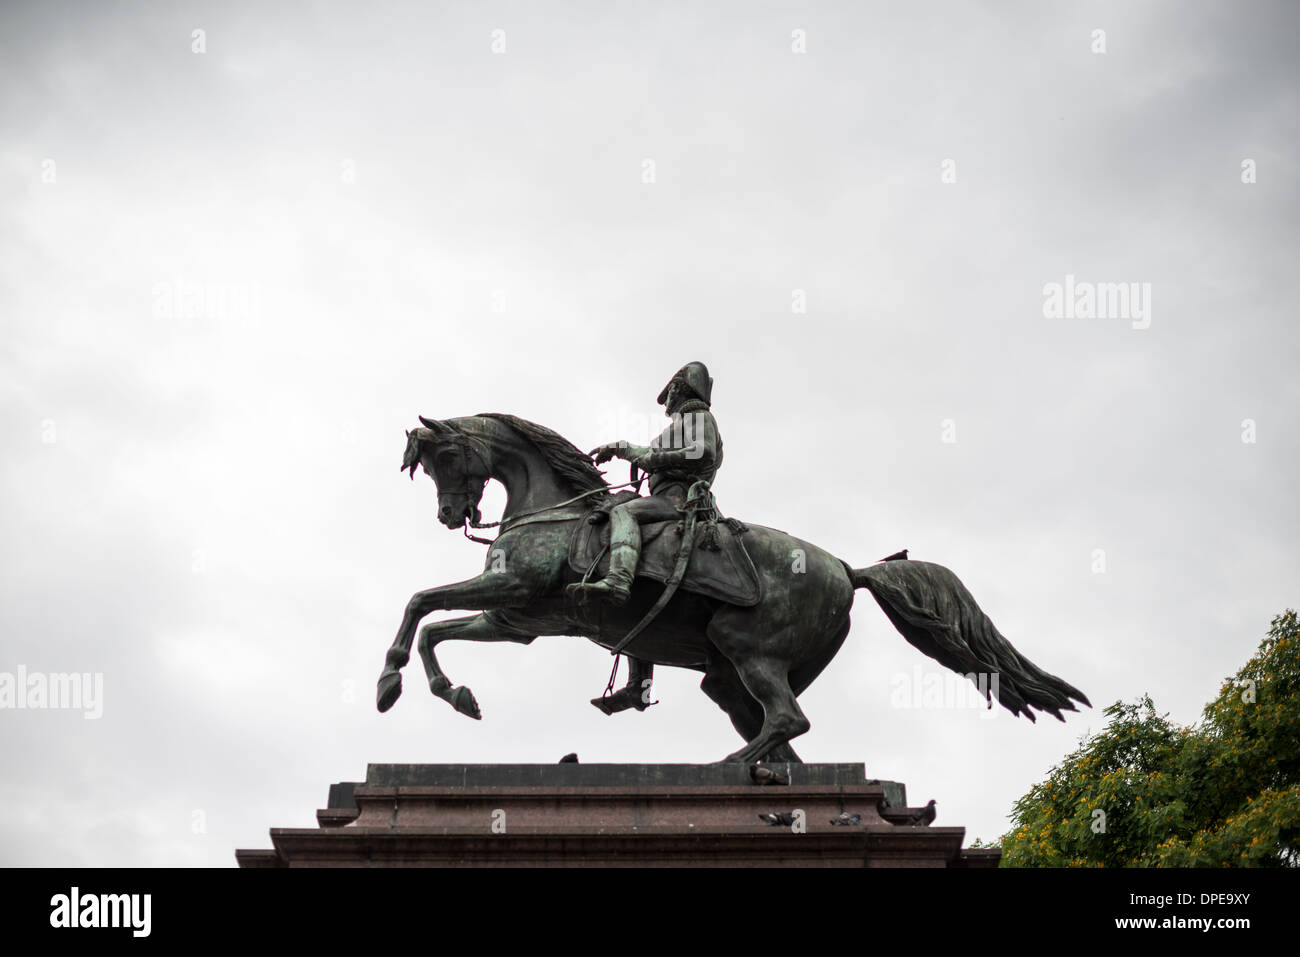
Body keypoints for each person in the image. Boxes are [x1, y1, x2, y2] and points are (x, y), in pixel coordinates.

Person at [573, 361, 723, 714]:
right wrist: (632, 452)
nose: (666, 399)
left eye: (670, 390)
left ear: (683, 388)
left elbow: (704, 453)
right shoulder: (680, 422)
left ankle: (618, 581)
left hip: (678, 499)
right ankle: (637, 685)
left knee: (623, 513)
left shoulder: (698, 417)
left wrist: (641, 454)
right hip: (662, 496)